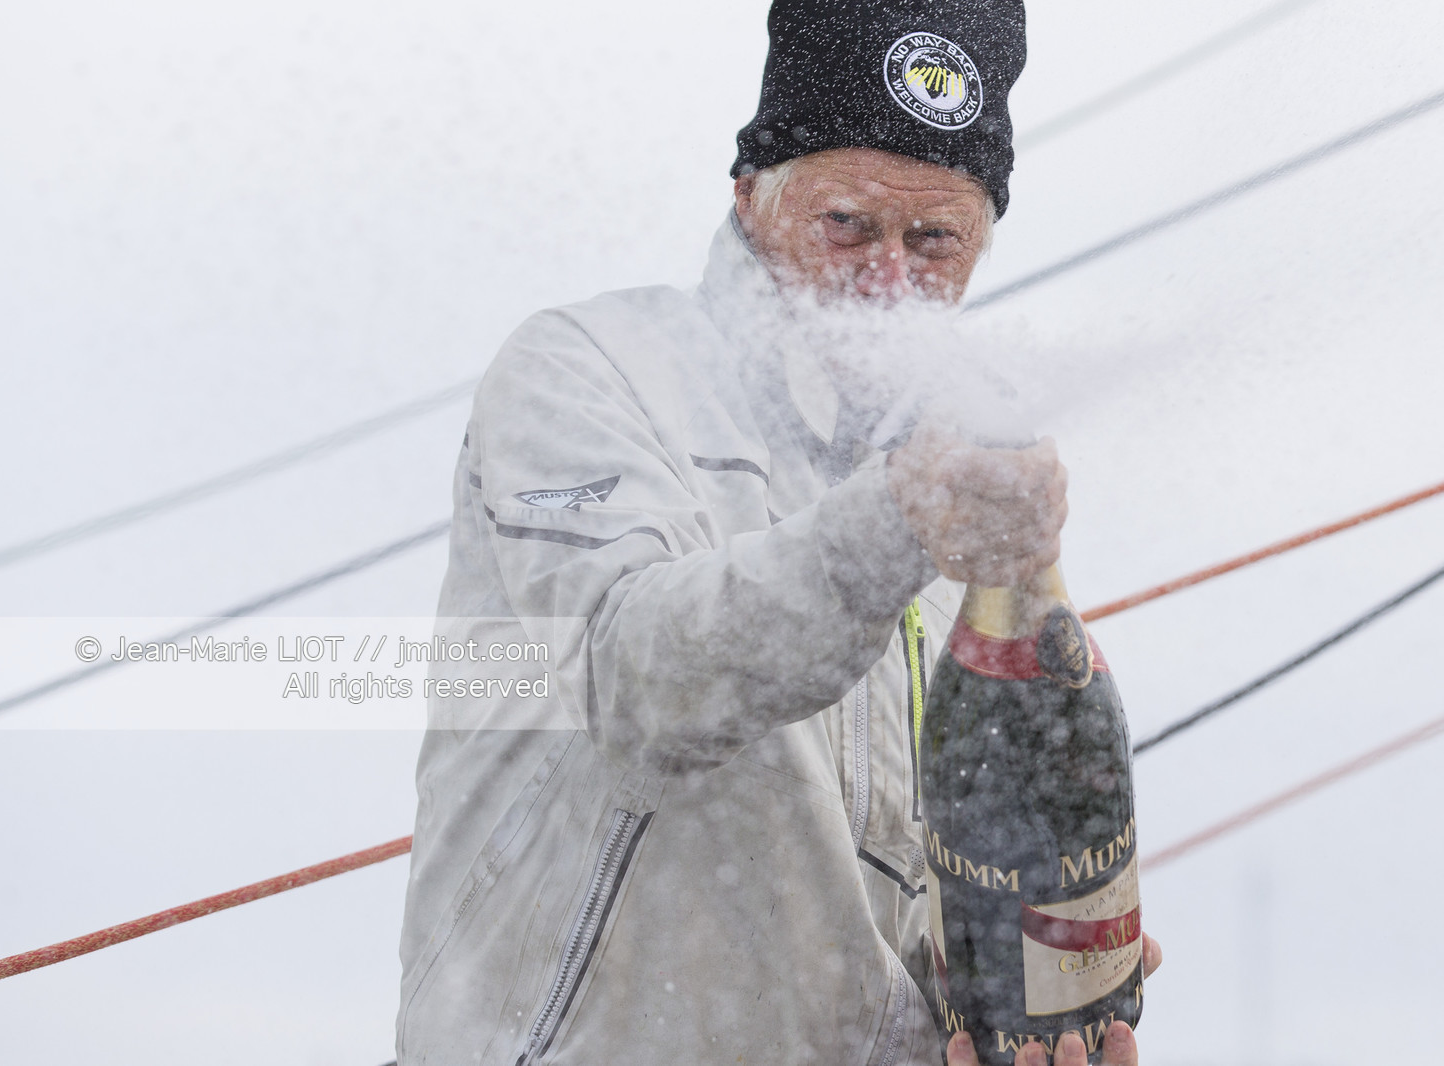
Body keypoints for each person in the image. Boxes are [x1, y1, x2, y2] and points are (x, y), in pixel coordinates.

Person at [397, 1, 1158, 1063]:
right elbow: (638, 682)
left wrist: (1018, 991)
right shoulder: (587, 368)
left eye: (934, 238)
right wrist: (898, 516)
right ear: (751, 197)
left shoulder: (963, 552)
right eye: (847, 222)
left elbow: (897, 926)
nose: (887, 279)